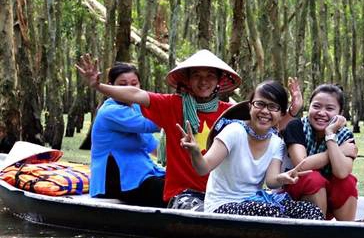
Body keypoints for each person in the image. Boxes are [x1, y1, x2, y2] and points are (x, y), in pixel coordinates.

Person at [77, 51, 302, 210]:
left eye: (210, 76)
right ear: (188, 79)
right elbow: (136, 95)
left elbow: (265, 125)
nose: (203, 81)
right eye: (197, 75)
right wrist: (98, 86)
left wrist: (291, 111)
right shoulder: (172, 105)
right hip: (182, 194)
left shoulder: (231, 113)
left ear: (218, 81)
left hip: (221, 196)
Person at [178, 80, 323, 219]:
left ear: (281, 114)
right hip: (221, 205)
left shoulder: (276, 142)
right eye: (260, 104)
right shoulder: (234, 131)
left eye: (273, 107)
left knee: (311, 211)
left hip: (257, 201)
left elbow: (271, 181)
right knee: (271, 213)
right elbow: (204, 168)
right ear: (250, 106)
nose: (265, 111)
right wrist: (195, 152)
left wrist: (282, 178)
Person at [89, 62, 166, 207]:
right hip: (117, 181)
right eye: (122, 84)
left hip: (142, 175)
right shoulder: (110, 112)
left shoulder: (137, 108)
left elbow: (152, 146)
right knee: (172, 191)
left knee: (182, 182)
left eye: (134, 83)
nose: (129, 88)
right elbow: (152, 125)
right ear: (110, 86)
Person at [282, 84, 359, 221]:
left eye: (329, 108)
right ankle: (318, 232)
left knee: (347, 182)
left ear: (340, 113)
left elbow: (341, 172)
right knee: (313, 179)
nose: (322, 113)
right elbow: (301, 165)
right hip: (296, 198)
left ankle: (346, 234)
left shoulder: (345, 135)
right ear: (309, 107)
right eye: (316, 106)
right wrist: (339, 150)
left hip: (330, 199)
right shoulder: (296, 126)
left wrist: (330, 135)